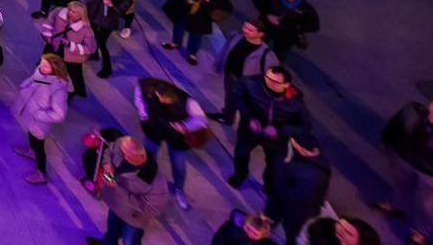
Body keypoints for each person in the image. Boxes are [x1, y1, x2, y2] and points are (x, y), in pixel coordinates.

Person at [226, 64, 311, 188]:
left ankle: (269, 186)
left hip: (276, 139)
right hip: (251, 130)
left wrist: (279, 131)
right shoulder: (252, 83)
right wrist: (248, 118)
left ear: (286, 85)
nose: (269, 82)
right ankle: (240, 176)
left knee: (274, 165)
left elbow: (305, 125)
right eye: (267, 77)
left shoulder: (295, 102)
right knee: (241, 154)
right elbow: (236, 95)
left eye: (275, 81)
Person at [134, 76, 208, 210]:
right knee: (148, 158)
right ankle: (145, 185)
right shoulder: (147, 86)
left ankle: (179, 189)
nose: (162, 102)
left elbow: (201, 119)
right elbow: (139, 93)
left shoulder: (188, 102)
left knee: (178, 165)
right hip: (154, 129)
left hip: (176, 137)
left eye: (166, 101)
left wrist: (184, 126)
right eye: (161, 98)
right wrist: (143, 112)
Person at [84, 134, 164, 245]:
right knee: (112, 230)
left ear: (141, 157)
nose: (124, 158)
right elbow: (109, 151)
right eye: (123, 153)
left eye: (128, 156)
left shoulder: (154, 182)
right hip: (115, 203)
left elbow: (152, 208)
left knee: (130, 240)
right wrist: (107, 166)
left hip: (133, 217)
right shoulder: (122, 146)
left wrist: (131, 211)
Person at [379, 98, 433, 245]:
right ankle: (398, 206)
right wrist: (387, 145)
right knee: (401, 184)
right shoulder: (411, 112)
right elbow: (394, 127)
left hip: (429, 173)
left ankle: (422, 232)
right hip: (405, 159)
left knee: (426, 205)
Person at [265, 132, 332, 243]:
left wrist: (282, 165)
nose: (291, 146)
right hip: (295, 209)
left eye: (295, 145)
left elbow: (290, 193)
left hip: (294, 210)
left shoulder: (311, 175)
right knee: (288, 229)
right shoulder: (319, 163)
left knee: (289, 231)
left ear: (303, 150)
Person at [161, 0, 231, 64]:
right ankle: (175, 43)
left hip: (200, 13)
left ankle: (192, 53)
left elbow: (225, 4)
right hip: (183, 8)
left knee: (196, 33)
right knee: (179, 25)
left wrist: (208, 0)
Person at [15, 53, 70, 185]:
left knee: (39, 146)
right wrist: (25, 86)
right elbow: (33, 80)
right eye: (41, 63)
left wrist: (38, 114)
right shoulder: (41, 74)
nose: (41, 66)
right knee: (30, 134)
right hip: (31, 115)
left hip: (40, 122)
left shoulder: (58, 88)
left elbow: (59, 114)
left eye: (45, 65)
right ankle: (30, 150)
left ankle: (41, 172)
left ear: (55, 69)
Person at [212, 19, 278, 123]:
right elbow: (226, 50)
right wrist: (218, 65)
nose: (245, 31)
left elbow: (272, 73)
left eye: (250, 30)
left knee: (240, 102)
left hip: (244, 83)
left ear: (260, 34)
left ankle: (229, 118)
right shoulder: (237, 36)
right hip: (230, 74)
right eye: (245, 27)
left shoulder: (266, 54)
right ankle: (228, 115)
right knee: (230, 97)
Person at [39, 0, 98, 98]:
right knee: (48, 66)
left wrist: (71, 45)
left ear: (80, 15)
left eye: (74, 12)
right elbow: (49, 21)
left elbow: (91, 48)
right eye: (69, 10)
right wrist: (48, 34)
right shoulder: (58, 12)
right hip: (55, 47)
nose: (69, 13)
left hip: (72, 57)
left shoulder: (87, 30)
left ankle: (75, 91)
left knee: (74, 75)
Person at [252, 0, 320, 61]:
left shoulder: (305, 9)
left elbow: (314, 26)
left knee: (279, 54)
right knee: (257, 44)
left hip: (286, 35)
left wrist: (294, 26)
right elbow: (257, 0)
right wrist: (267, 15)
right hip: (266, 27)